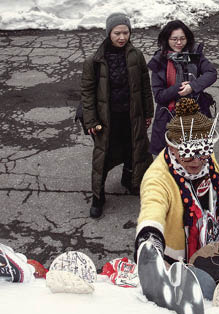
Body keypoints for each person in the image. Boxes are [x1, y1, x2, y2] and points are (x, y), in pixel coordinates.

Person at [134, 97, 219, 265]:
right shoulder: (157, 177)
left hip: (213, 245)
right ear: (172, 147)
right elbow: (152, 208)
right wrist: (150, 242)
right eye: (188, 154)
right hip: (178, 261)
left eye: (204, 152)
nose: (197, 161)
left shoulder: (206, 159)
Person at [81, 13, 154, 219]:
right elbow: (87, 94)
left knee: (135, 149)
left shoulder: (136, 55)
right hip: (107, 119)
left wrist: (148, 112)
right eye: (117, 33)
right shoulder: (94, 61)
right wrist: (91, 120)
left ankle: (130, 180)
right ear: (108, 33)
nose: (122, 37)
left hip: (131, 116)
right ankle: (98, 196)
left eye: (125, 32)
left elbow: (144, 86)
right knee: (103, 157)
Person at [148, 20, 217, 156]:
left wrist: (192, 86)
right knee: (170, 157)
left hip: (195, 115)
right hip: (169, 116)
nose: (179, 43)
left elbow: (211, 73)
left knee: (196, 157)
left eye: (182, 39)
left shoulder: (195, 55)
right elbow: (159, 96)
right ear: (166, 39)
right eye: (174, 39)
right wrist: (178, 88)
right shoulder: (159, 61)